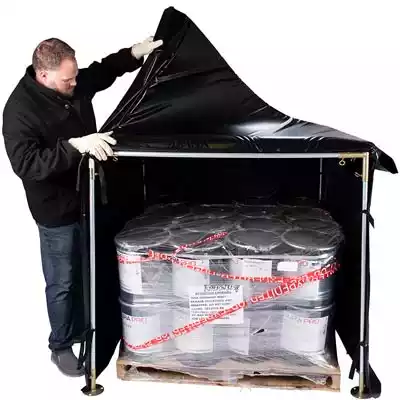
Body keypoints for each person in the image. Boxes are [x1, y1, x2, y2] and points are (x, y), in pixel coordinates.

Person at [1, 36, 162, 377]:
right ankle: (60, 345)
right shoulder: (19, 111)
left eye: (74, 77)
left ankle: (87, 328)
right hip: (54, 211)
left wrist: (132, 55)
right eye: (67, 80)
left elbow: (100, 74)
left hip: (87, 199)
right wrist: (75, 145)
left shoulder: (70, 84)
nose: (75, 84)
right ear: (43, 75)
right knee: (62, 280)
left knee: (89, 270)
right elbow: (27, 164)